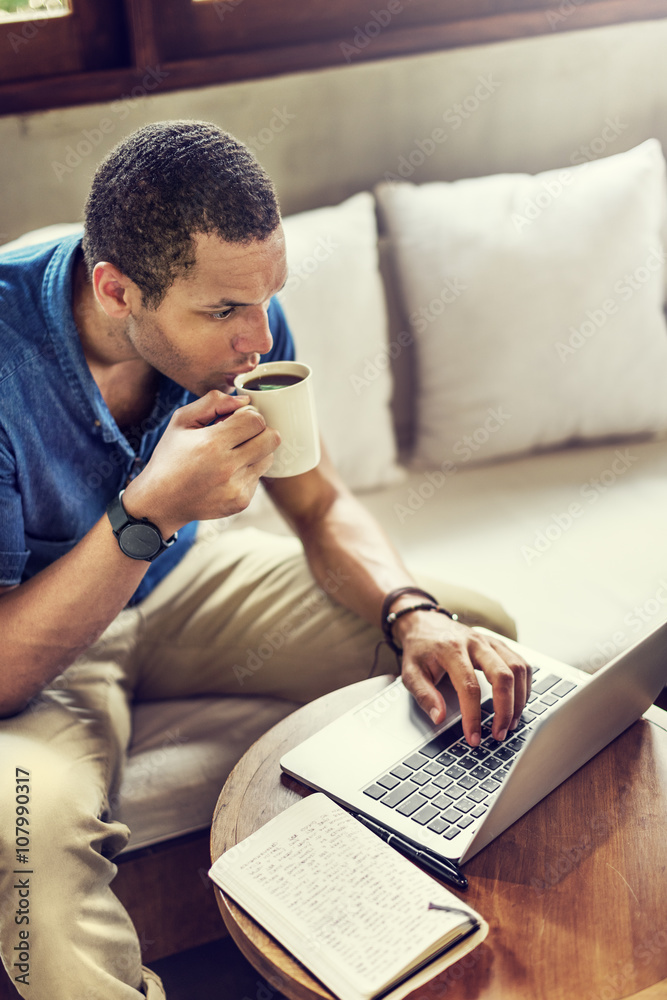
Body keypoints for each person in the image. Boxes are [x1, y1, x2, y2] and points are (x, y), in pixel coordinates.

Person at [0, 120, 529, 999]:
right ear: (117, 288)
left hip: (182, 585)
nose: (259, 337)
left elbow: (317, 503)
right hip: (43, 638)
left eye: (266, 298)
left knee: (479, 645)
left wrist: (413, 612)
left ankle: (409, 940)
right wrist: (151, 511)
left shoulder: (247, 312)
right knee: (31, 845)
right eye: (223, 313)